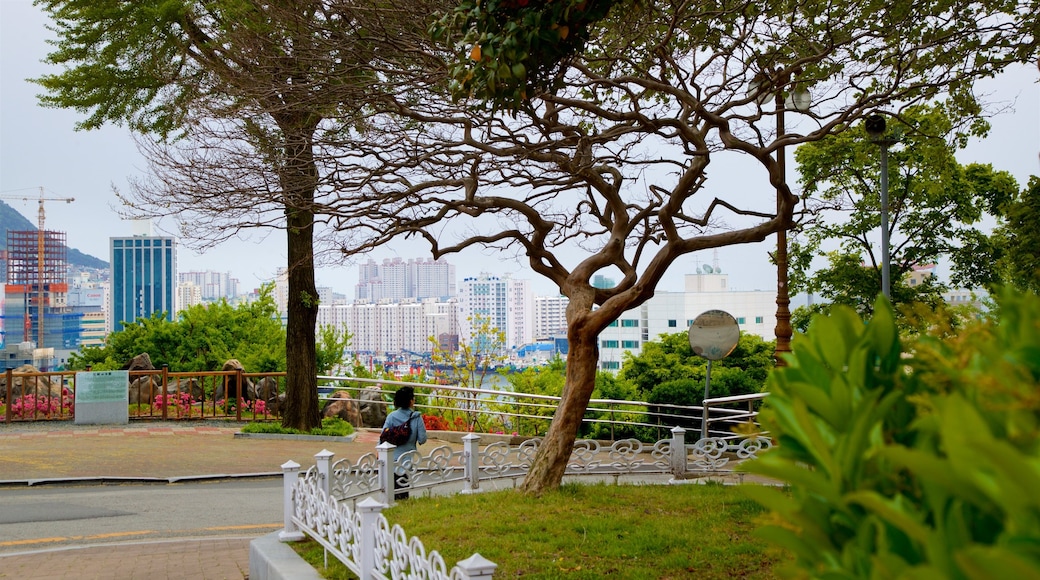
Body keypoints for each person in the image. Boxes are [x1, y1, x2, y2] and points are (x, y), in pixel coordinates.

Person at [381, 386, 427, 500]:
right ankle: (403, 503)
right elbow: (422, 439)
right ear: (411, 401)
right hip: (407, 459)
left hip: (391, 458)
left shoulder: (391, 416)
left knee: (392, 488)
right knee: (403, 487)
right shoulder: (416, 418)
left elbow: (383, 436)